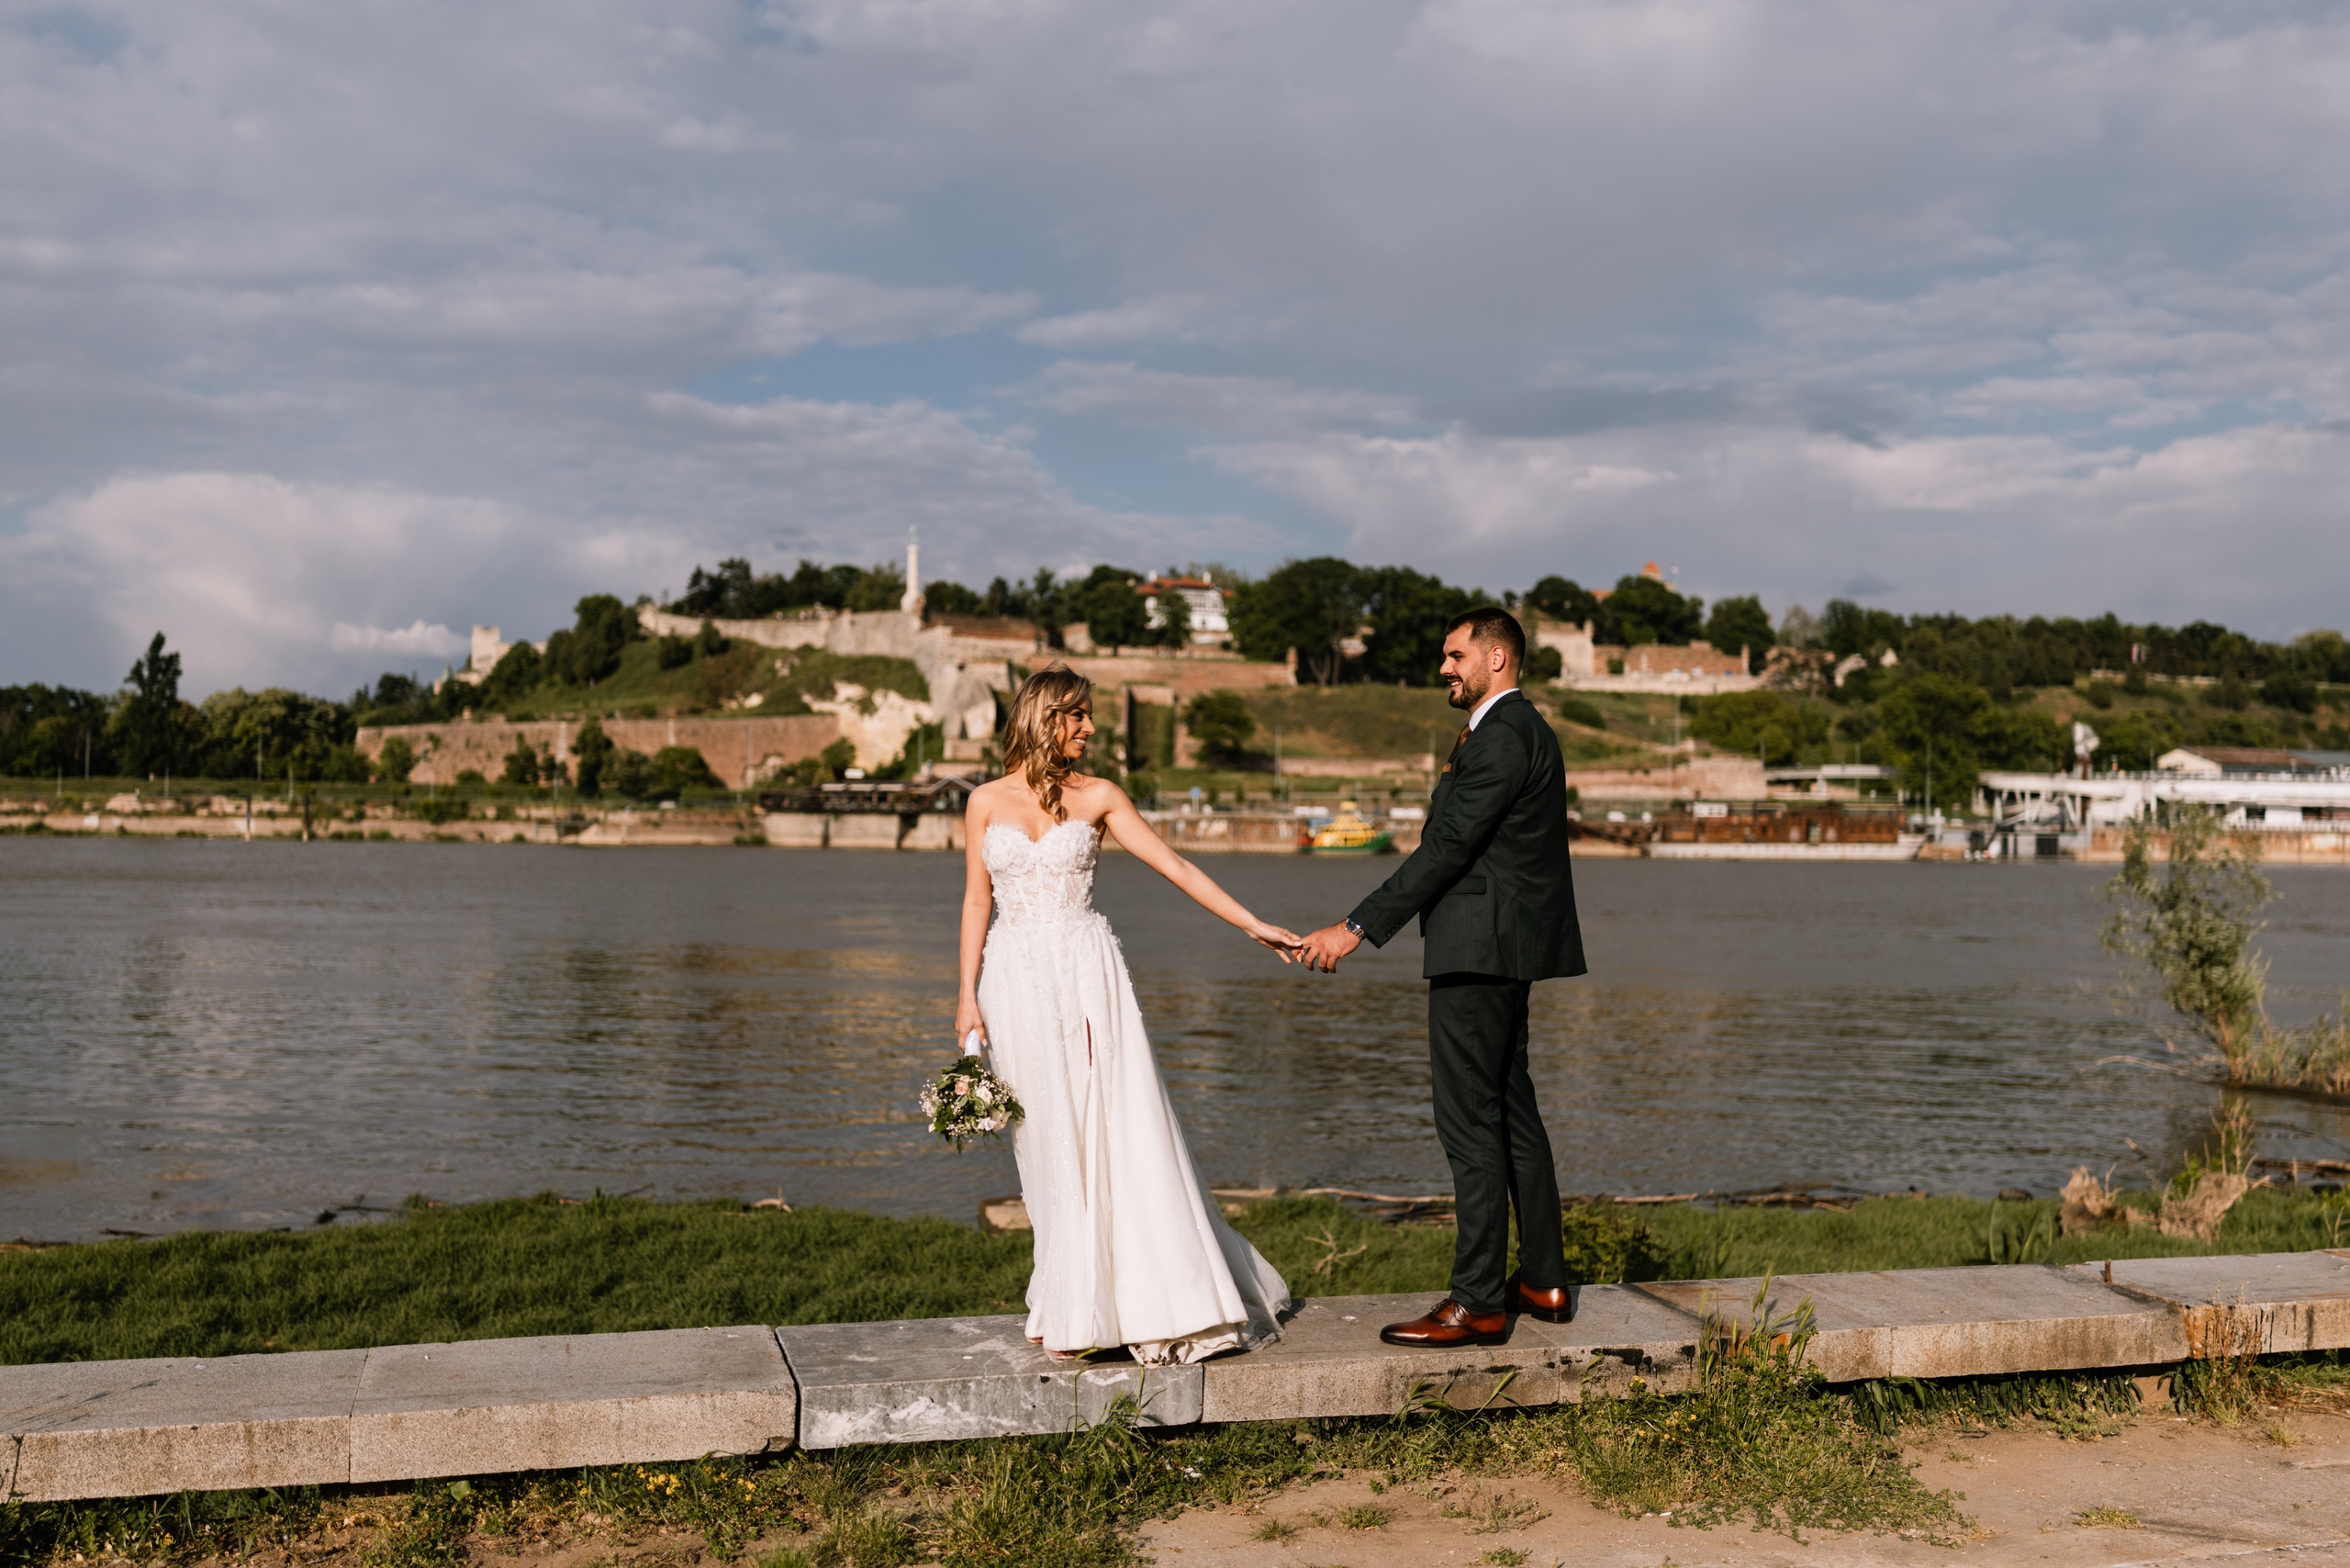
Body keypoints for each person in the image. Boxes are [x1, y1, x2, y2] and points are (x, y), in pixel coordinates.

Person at [957, 663, 1301, 1363]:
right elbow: (975, 900)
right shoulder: (983, 801)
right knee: (1041, 1138)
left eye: (1090, 716)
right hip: (1013, 979)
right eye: (1077, 715)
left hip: (1087, 973)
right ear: (1044, 716)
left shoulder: (1102, 796)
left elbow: (1177, 868)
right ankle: (1066, 1300)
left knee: (1107, 1124)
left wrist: (1253, 925)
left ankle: (1139, 1300)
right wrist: (965, 996)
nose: (1089, 727)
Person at [1296, 608, 1585, 1347]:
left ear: (1496, 659)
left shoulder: (1503, 735)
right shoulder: (1519, 731)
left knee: (1470, 1120)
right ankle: (1544, 1280)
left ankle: (1481, 1300)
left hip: (1478, 948)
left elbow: (1447, 849)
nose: (1444, 669)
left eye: (1455, 656)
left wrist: (1354, 927)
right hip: (1501, 946)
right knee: (1510, 1106)